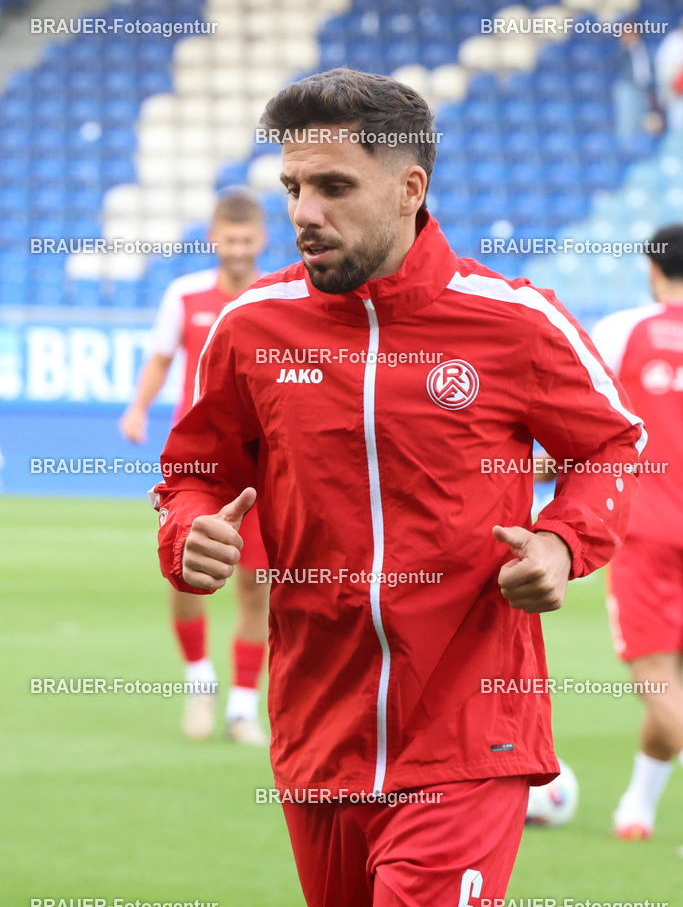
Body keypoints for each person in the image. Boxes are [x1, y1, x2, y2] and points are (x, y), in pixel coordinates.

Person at [152, 68, 644, 904]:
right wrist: (188, 529)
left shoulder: (514, 323)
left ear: (410, 187)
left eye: (333, 186)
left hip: (467, 733)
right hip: (317, 733)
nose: (304, 213)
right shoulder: (249, 330)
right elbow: (194, 474)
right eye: (294, 187)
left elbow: (614, 449)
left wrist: (563, 542)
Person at [120, 188, 270, 745]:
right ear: (214, 239)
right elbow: (161, 359)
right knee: (184, 572)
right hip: (196, 465)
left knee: (257, 583)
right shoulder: (184, 296)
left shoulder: (276, 296)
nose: (238, 248)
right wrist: (138, 408)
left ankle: (243, 707)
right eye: (229, 238)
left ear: (261, 239)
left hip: (261, 467)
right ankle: (200, 682)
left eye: (247, 239)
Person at [589, 224, 683, 840]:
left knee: (658, 682)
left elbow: (586, 425)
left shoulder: (621, 332)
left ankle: (637, 806)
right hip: (653, 533)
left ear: (652, 267)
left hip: (645, 532)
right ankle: (638, 806)